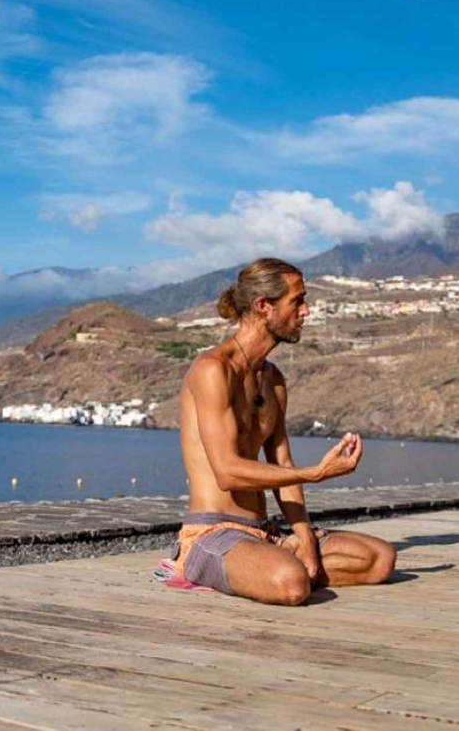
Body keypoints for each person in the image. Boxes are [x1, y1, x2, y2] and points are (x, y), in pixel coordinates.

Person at [170, 258, 397, 605]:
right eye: (298, 301)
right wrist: (318, 473)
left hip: (266, 533)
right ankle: (198, 566)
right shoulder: (213, 369)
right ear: (264, 306)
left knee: (379, 560)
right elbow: (227, 472)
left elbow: (283, 466)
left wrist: (305, 539)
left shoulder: (273, 380)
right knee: (291, 584)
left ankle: (277, 561)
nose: (306, 311)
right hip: (213, 532)